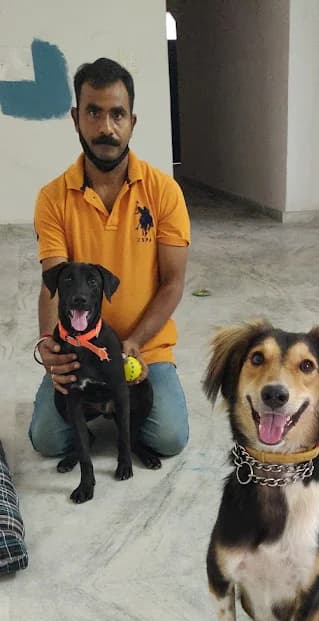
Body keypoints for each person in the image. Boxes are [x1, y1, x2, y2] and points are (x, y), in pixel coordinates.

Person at [30, 57, 190, 460]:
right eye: (94, 113)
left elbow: (173, 283)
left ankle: (113, 408)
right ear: (75, 118)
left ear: (132, 121)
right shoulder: (52, 198)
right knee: (48, 441)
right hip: (77, 350)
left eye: (117, 114)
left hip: (143, 350)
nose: (106, 128)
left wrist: (134, 342)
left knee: (168, 438)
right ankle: (99, 405)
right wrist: (50, 345)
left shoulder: (164, 192)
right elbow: (53, 282)